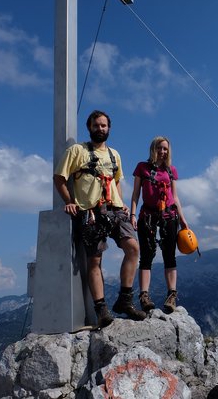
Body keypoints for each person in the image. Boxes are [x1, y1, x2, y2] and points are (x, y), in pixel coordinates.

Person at [53, 110, 146, 328]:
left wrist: (122, 203)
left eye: (104, 125)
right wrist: (69, 201)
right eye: (96, 125)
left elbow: (117, 181)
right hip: (91, 210)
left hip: (114, 209)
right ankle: (101, 309)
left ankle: (125, 300)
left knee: (133, 248)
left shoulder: (115, 154)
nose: (100, 129)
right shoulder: (77, 151)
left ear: (109, 128)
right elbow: (59, 178)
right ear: (89, 127)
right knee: (95, 260)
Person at [130, 136, 189, 314]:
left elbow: (175, 197)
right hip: (147, 215)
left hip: (169, 215)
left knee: (169, 255)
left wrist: (182, 218)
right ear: (153, 149)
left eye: (165, 149)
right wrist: (132, 215)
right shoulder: (142, 168)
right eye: (159, 148)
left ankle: (171, 295)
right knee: (146, 256)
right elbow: (135, 195)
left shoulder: (171, 171)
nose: (162, 152)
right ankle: (144, 296)